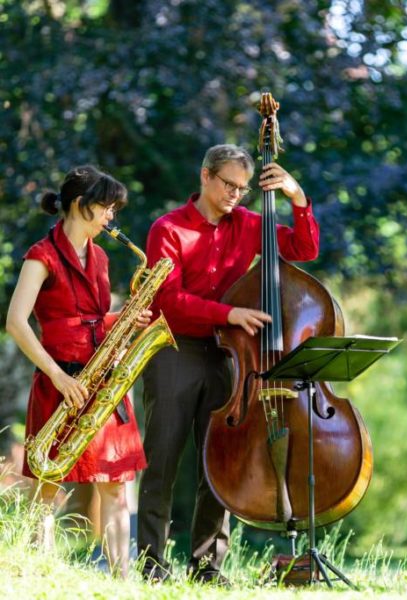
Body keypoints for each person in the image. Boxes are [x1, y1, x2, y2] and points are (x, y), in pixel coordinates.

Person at [138, 144, 319, 583]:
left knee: (217, 465)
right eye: (228, 184)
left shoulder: (250, 225)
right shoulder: (168, 228)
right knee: (162, 460)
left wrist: (297, 197)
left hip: (225, 356)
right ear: (205, 176)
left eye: (242, 187)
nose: (236, 193)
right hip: (174, 350)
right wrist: (229, 313)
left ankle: (206, 567)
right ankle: (152, 566)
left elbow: (304, 247)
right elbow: (169, 300)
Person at [6, 165, 151, 578]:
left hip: (102, 382)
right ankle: (40, 574)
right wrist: (56, 376)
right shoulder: (41, 256)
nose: (111, 218)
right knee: (48, 488)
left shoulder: (101, 256)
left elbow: (90, 318)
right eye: (106, 207)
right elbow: (17, 322)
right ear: (78, 205)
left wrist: (123, 318)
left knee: (115, 485)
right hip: (62, 380)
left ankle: (122, 577)